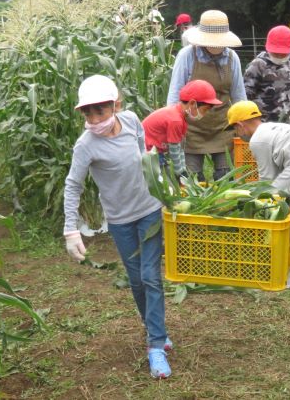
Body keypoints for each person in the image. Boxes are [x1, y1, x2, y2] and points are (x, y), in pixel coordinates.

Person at [63, 75, 172, 379]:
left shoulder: (133, 120)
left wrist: (162, 188)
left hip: (149, 210)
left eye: (100, 111)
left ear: (117, 105)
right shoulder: (85, 146)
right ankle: (154, 327)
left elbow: (144, 155)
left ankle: (156, 345)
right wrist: (71, 229)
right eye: (88, 113)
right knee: (136, 280)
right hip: (120, 219)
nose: (95, 119)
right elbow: (73, 186)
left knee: (150, 277)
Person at [166, 10, 247, 181]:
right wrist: (173, 126)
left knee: (225, 178)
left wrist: (244, 124)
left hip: (222, 128)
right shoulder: (187, 55)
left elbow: (239, 97)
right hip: (191, 129)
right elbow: (174, 95)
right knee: (192, 180)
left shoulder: (232, 58)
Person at [143, 80, 222, 178]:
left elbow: (180, 148)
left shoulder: (180, 117)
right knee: (161, 180)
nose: (204, 114)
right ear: (193, 103)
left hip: (156, 152)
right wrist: (180, 174)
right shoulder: (175, 120)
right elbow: (174, 150)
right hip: (148, 153)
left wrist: (183, 170)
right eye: (204, 110)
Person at [226, 101, 290, 193]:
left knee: (271, 192)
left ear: (240, 125)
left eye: (235, 129)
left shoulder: (257, 140)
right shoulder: (272, 127)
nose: (237, 133)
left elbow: (267, 180)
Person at [244, 25, 290, 124]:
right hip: (264, 122)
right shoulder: (258, 65)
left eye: (283, 54)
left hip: (286, 121)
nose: (280, 56)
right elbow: (247, 94)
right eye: (276, 53)